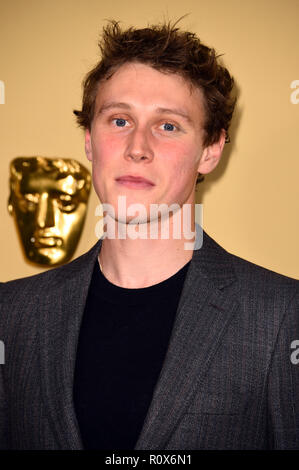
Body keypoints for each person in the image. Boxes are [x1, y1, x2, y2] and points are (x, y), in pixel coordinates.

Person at [0, 20, 298, 450]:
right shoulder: (13, 314)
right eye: (119, 120)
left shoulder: (280, 316)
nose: (137, 147)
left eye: (169, 126)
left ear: (211, 150)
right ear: (89, 141)